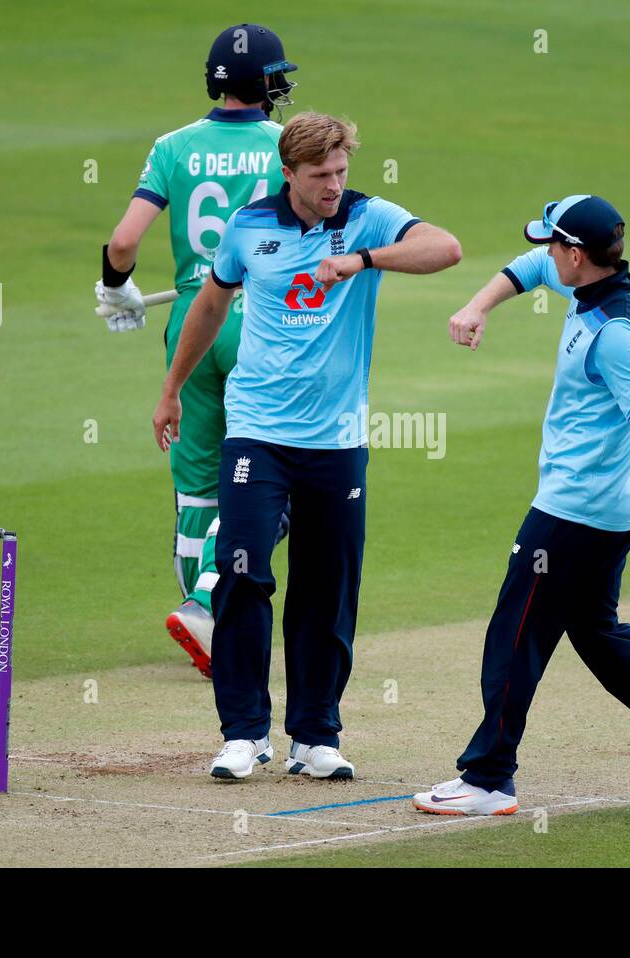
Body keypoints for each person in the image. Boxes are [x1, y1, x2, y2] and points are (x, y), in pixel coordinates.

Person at [413, 195, 630, 817]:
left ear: (577, 253)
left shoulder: (614, 334)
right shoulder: (601, 286)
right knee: (599, 635)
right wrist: (476, 305)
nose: (544, 253)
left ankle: (488, 779)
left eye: (552, 244)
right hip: (602, 508)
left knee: (514, 638)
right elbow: (530, 268)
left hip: (575, 511)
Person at [151, 112, 462, 780]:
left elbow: (446, 248)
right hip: (256, 433)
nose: (333, 185)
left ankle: (315, 737)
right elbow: (210, 304)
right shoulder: (249, 226)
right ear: (288, 172)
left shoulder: (368, 218)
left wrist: (362, 259)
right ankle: (242, 735)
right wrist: (172, 387)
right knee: (241, 572)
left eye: (341, 172)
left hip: (336, 441)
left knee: (326, 588)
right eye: (320, 175)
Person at [94, 24, 298, 679]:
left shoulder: (173, 147)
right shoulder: (282, 146)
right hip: (257, 319)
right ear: (263, 86)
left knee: (198, 484)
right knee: (282, 471)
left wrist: (116, 289)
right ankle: (210, 602)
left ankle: (198, 611)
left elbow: (123, 242)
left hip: (189, 318)